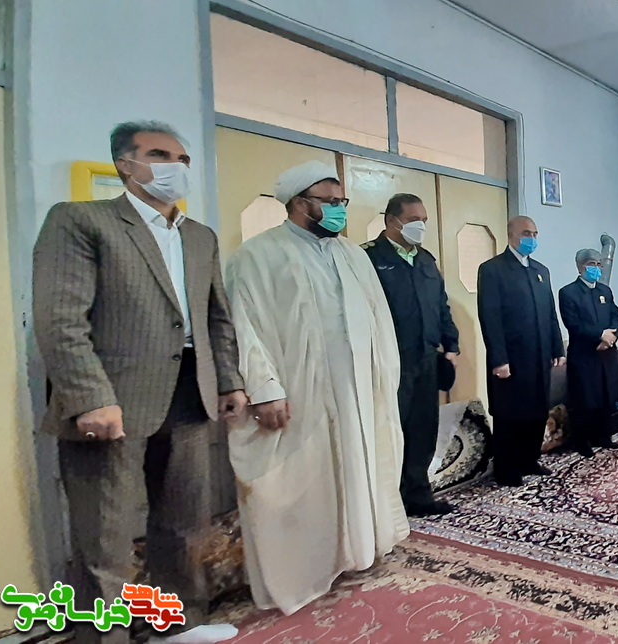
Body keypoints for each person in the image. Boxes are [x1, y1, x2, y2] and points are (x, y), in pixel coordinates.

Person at [33, 121, 246, 644]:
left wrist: (229, 381)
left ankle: (176, 624)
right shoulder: (83, 221)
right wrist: (89, 397)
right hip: (112, 399)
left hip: (189, 395)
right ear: (125, 165)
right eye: (160, 155)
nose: (176, 166)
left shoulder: (199, 237)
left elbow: (215, 317)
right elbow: (61, 319)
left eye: (182, 158)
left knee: (183, 524)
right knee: (104, 536)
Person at [226, 160, 408, 615]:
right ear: (298, 203)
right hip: (297, 394)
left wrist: (384, 374)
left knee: (358, 467)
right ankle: (304, 572)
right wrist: (265, 389)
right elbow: (243, 329)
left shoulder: (352, 255)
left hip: (357, 390)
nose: (338, 209)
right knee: (303, 480)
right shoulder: (257, 255)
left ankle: (357, 551)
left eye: (341, 201)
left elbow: (379, 321)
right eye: (328, 201)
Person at [362, 193, 461, 517]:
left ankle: (418, 496)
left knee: (422, 429)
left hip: (426, 358)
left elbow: (441, 305)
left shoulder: (426, 259)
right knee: (390, 431)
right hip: (390, 361)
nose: (421, 226)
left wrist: (451, 344)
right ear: (392, 220)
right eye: (414, 220)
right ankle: (387, 502)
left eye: (424, 220)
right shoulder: (368, 258)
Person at [477, 215, 565, 486]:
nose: (532, 239)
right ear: (511, 235)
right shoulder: (493, 269)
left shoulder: (540, 271)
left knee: (537, 411)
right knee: (510, 414)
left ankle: (529, 460)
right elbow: (490, 317)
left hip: (539, 356)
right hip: (511, 359)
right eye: (527, 233)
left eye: (535, 234)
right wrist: (499, 359)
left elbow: (550, 313)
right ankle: (506, 468)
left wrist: (557, 347)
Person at [558, 249, 618, 457]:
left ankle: (603, 436)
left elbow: (616, 316)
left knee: (606, 397)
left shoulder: (605, 291)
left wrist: (611, 337)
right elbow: (573, 324)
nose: (596, 268)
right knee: (585, 401)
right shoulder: (568, 292)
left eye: (598, 264)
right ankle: (582, 442)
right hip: (584, 355)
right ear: (580, 267)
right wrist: (599, 336)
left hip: (606, 354)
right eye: (591, 264)